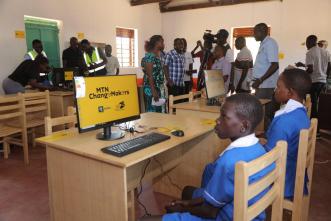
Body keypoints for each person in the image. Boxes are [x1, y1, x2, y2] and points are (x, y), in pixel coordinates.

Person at [139, 93, 273, 221]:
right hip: (251, 215)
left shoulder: (229, 161)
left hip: (222, 217)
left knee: (144, 220)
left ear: (243, 126)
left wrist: (181, 208)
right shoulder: (259, 149)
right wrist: (186, 203)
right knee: (187, 193)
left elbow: (210, 211)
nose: (217, 120)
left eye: (224, 116)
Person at [263, 68, 311, 199]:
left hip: (283, 178)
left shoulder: (284, 121)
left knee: (227, 167)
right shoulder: (301, 113)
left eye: (278, 87)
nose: (275, 90)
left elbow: (270, 157)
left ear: (290, 92)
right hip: (292, 171)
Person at [295, 35, 331, 133]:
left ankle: (314, 131)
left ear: (311, 42)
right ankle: (315, 129)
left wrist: (302, 75)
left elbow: (310, 70)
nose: (306, 45)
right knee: (316, 104)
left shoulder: (310, 52)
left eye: (307, 42)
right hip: (322, 82)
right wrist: (325, 77)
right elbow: (328, 67)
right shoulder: (325, 52)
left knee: (312, 105)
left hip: (314, 82)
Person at [252, 23, 280, 129]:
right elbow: (263, 65)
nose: (253, 34)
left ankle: (267, 140)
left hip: (266, 85)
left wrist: (260, 80)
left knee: (263, 114)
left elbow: (275, 65)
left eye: (255, 32)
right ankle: (266, 137)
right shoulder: (264, 43)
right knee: (262, 114)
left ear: (263, 31)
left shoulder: (270, 43)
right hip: (262, 84)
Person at [141, 35, 167, 113]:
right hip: (151, 88)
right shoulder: (150, 57)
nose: (163, 44)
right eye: (162, 42)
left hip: (158, 88)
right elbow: (150, 76)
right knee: (153, 112)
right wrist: (153, 91)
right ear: (157, 43)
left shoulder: (158, 56)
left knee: (160, 112)